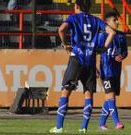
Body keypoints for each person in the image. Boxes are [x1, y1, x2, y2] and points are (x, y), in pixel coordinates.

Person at [49, 0, 115, 133]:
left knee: (66, 91)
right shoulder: (95, 20)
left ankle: (59, 127)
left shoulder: (73, 18)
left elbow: (61, 29)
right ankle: (83, 127)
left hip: (76, 58)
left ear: (77, 6)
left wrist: (65, 43)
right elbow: (112, 32)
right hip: (90, 60)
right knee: (88, 93)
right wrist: (103, 48)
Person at [98, 12, 127, 130]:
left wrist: (122, 56)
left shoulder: (121, 36)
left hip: (116, 71)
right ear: (107, 22)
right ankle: (117, 122)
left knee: (109, 97)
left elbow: (125, 51)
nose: (117, 22)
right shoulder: (102, 35)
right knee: (111, 97)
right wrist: (94, 67)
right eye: (114, 20)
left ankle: (101, 124)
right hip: (105, 70)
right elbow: (96, 52)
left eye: (117, 20)